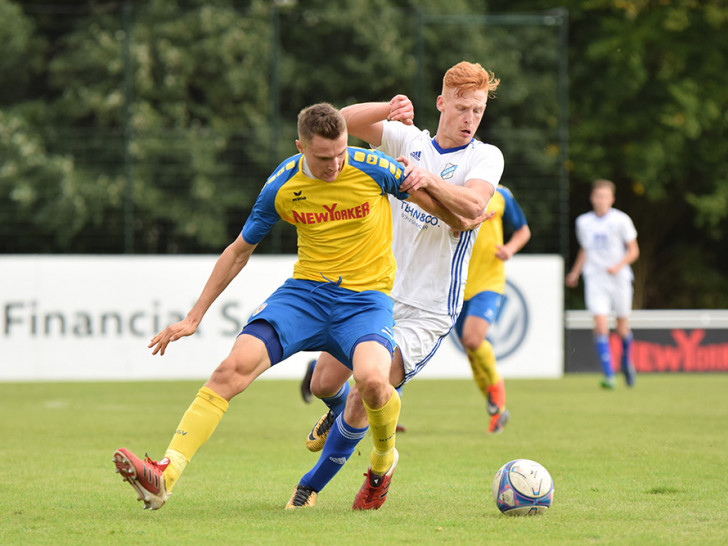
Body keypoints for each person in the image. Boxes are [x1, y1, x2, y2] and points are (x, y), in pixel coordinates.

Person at [112, 103, 464, 511]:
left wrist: (462, 213)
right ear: (300, 148)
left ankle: (383, 461)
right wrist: (194, 317)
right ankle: (164, 476)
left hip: (366, 301)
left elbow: (445, 214)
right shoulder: (280, 186)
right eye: (322, 157)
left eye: (340, 153)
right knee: (231, 370)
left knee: (371, 381)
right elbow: (239, 251)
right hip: (305, 295)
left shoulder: (373, 166)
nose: (334, 164)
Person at [287, 61, 504, 510]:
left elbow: (472, 206)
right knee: (325, 382)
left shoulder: (485, 157)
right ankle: (341, 420)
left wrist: (426, 181)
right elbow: (339, 125)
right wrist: (388, 107)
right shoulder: (409, 140)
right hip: (374, 293)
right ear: (441, 103)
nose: (469, 119)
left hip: (428, 309)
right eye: (462, 107)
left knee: (366, 395)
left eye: (478, 111)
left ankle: (325, 484)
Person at [453, 185, 530, 434]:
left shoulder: (501, 194)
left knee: (474, 339)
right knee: (469, 348)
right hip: (455, 282)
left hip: (489, 280)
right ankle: (497, 410)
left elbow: (523, 230)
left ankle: (497, 392)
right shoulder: (449, 187)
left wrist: (509, 249)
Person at [565, 179, 639, 389]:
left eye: (605, 197)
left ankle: (626, 363)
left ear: (612, 199)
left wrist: (618, 265)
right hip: (595, 278)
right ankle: (609, 376)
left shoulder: (622, 220)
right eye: (598, 196)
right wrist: (575, 273)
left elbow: (634, 251)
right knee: (600, 325)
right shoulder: (583, 222)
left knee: (622, 327)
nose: (601, 200)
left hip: (619, 278)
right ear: (592, 198)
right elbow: (585, 250)